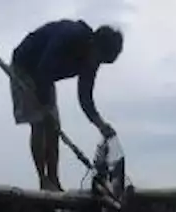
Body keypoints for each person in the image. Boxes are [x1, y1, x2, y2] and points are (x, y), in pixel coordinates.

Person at [10, 20, 123, 191]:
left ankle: (54, 181)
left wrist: (100, 124)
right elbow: (44, 68)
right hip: (25, 66)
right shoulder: (70, 35)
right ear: (94, 43)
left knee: (54, 128)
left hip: (45, 76)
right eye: (99, 58)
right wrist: (43, 104)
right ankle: (43, 180)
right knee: (39, 123)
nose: (96, 64)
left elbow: (85, 97)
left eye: (102, 62)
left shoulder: (92, 62)